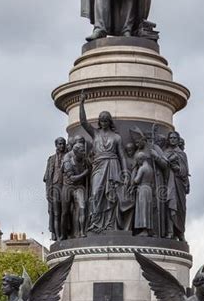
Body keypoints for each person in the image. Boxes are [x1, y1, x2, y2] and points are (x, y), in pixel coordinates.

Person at [79, 92, 128, 232]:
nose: (103, 122)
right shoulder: (95, 133)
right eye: (101, 120)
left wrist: (125, 172)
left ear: (109, 121)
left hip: (113, 165)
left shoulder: (117, 137)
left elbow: (122, 156)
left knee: (111, 195)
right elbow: (83, 122)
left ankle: (109, 224)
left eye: (106, 120)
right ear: (99, 122)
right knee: (96, 194)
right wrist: (81, 103)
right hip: (99, 167)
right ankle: (95, 223)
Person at [61, 137, 90, 239]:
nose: (84, 153)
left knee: (82, 208)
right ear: (75, 152)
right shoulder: (67, 160)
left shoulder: (85, 159)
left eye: (84, 151)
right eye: (82, 151)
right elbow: (72, 178)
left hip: (79, 187)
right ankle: (63, 235)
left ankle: (82, 232)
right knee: (65, 212)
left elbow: (90, 168)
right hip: (68, 187)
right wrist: (84, 174)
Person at [43, 137, 67, 242]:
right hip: (55, 187)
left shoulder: (68, 157)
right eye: (59, 144)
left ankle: (65, 233)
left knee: (65, 212)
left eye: (63, 144)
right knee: (56, 213)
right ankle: (57, 236)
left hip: (66, 187)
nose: (61, 146)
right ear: (56, 145)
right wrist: (48, 191)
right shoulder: (51, 159)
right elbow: (46, 177)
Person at [131, 151, 154, 236]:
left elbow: (136, 180)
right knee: (148, 209)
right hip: (149, 189)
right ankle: (149, 229)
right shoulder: (150, 168)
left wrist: (134, 172)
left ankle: (144, 230)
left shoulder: (142, 168)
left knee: (143, 209)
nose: (137, 162)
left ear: (141, 159)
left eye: (138, 160)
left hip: (142, 189)